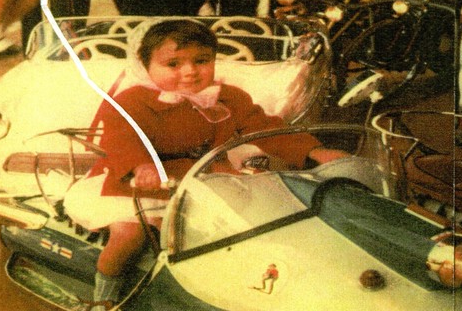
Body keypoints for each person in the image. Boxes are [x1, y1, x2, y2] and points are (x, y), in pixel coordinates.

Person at [65, 19, 342, 306]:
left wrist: (314, 151)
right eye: (173, 64)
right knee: (130, 234)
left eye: (202, 60)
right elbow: (120, 139)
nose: (190, 72)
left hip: (203, 180)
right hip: (137, 186)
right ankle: (104, 295)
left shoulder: (229, 97)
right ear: (145, 66)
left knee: (250, 221)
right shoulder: (131, 101)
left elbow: (265, 128)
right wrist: (141, 166)